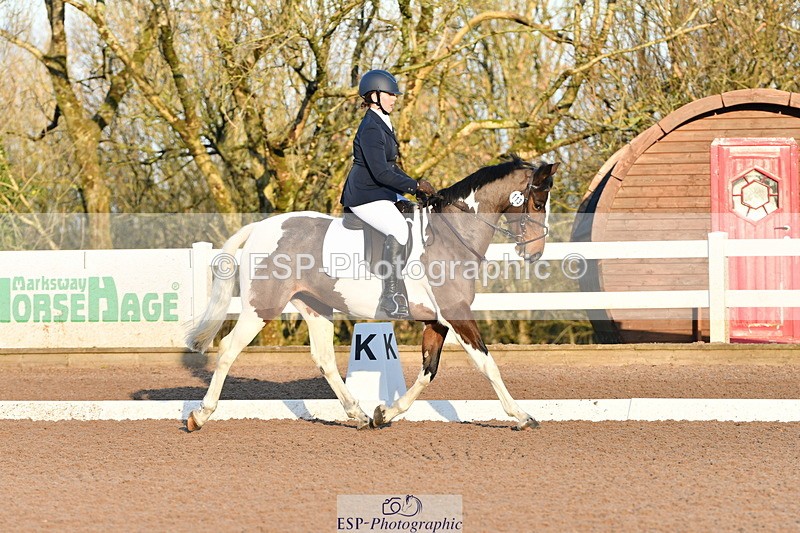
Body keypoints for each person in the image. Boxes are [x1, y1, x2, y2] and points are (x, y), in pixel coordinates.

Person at [340, 69, 436, 319]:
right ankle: (391, 295)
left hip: (381, 192)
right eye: (390, 94)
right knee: (399, 228)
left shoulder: (383, 122)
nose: (395, 98)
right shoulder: (371, 127)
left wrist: (415, 190)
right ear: (374, 96)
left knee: (416, 217)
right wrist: (414, 186)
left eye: (395, 94)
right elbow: (382, 172)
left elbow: (391, 166)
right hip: (365, 195)